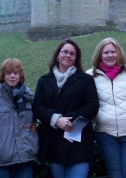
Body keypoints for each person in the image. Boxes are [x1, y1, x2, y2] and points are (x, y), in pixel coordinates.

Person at [33, 38, 99, 178]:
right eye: (65, 52)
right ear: (58, 55)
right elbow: (37, 107)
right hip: (54, 143)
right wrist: (56, 120)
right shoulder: (44, 80)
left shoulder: (85, 79)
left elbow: (92, 106)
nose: (68, 56)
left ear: (76, 58)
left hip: (78, 142)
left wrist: (68, 120)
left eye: (72, 54)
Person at [86, 37, 126, 178]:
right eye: (106, 52)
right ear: (100, 54)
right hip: (105, 134)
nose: (110, 55)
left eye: (113, 52)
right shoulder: (89, 76)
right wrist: (99, 116)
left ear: (119, 53)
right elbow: (88, 102)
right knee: (115, 175)